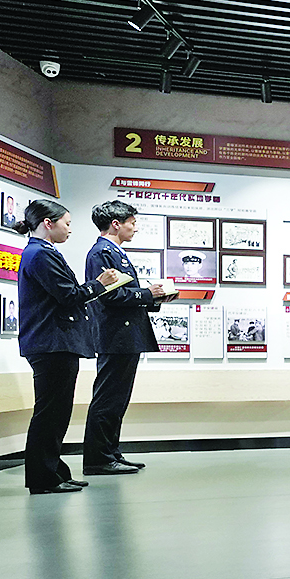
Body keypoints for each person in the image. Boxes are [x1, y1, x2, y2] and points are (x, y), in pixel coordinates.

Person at [13, 198, 123, 493]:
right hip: (52, 344)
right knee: (50, 413)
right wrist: (99, 283)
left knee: (57, 413)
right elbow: (68, 295)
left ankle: (54, 472)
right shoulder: (39, 254)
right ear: (48, 223)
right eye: (67, 223)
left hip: (54, 343)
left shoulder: (42, 252)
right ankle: (43, 477)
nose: (70, 229)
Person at [83, 200, 176, 475]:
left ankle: (111, 452)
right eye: (132, 223)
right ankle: (98, 458)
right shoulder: (101, 252)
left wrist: (153, 297)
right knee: (108, 398)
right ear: (116, 224)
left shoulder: (114, 251)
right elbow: (109, 295)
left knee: (118, 399)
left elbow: (124, 294)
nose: (135, 228)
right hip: (115, 335)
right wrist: (148, 294)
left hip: (124, 334)